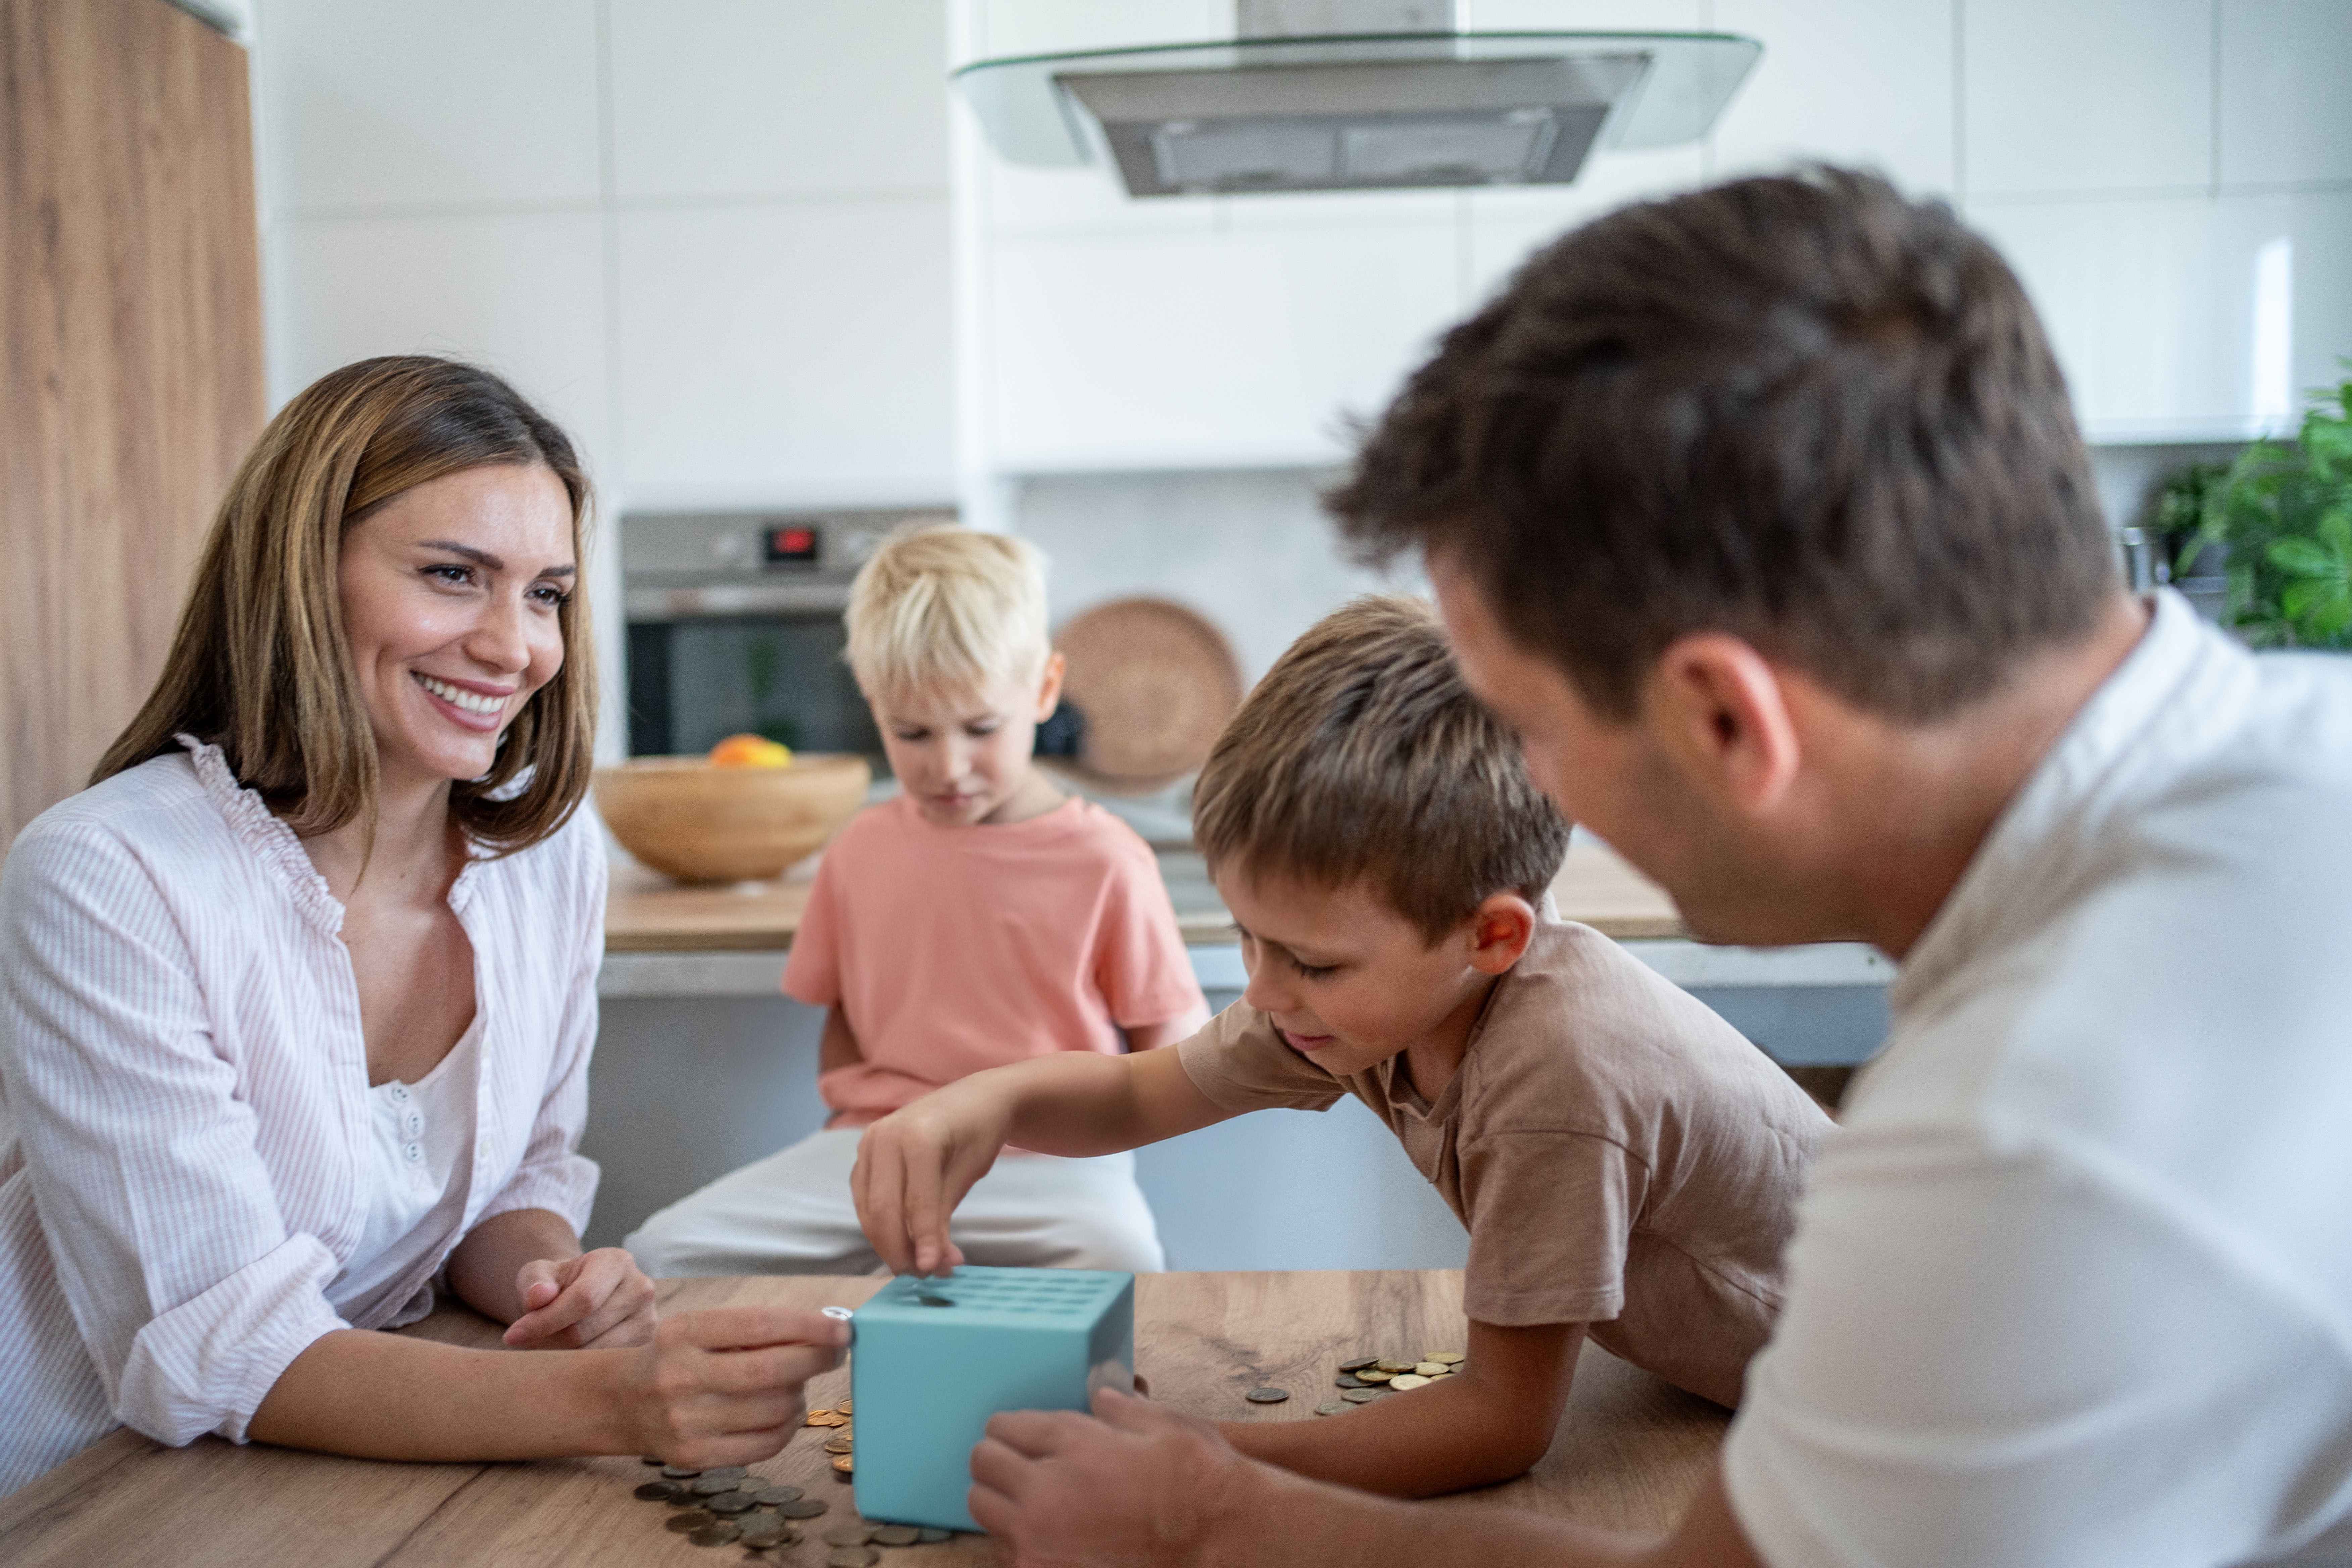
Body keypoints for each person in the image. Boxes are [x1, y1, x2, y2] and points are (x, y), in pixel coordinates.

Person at [952, 167, 2352, 1568]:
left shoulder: (2036, 1124)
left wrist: (1205, 1514)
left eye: (1539, 725)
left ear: (1726, 722)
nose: (1537, 793)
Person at [0, 356, 841, 1498]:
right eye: (454, 575)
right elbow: (215, 1342)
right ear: (299, 578)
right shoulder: (110, 875)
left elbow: (507, 1185)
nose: (515, 648)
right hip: (78, 1483)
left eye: (545, 592)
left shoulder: (547, 862)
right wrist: (613, 1400)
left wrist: (553, 1277)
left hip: (329, 1467)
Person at [855, 595, 1830, 1498]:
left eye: (1310, 963)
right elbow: (1140, 1097)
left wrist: (1198, 1456)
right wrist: (981, 1103)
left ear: (1490, 935)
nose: (1265, 989)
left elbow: (1501, 1424)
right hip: (1737, 1394)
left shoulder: (1560, 1077)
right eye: (1247, 938)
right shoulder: (1371, 999)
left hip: (1897, 1396)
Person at [626, 526, 1208, 1278]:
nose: (949, 764)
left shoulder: (1108, 860)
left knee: (1124, 1260)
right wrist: (884, 1143)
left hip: (1055, 1168)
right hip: (873, 1151)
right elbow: (843, 1029)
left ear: (1044, 689)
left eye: (980, 727)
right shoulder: (858, 850)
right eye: (912, 732)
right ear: (873, 705)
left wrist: (1070, 1129)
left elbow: (1173, 1060)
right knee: (659, 1256)